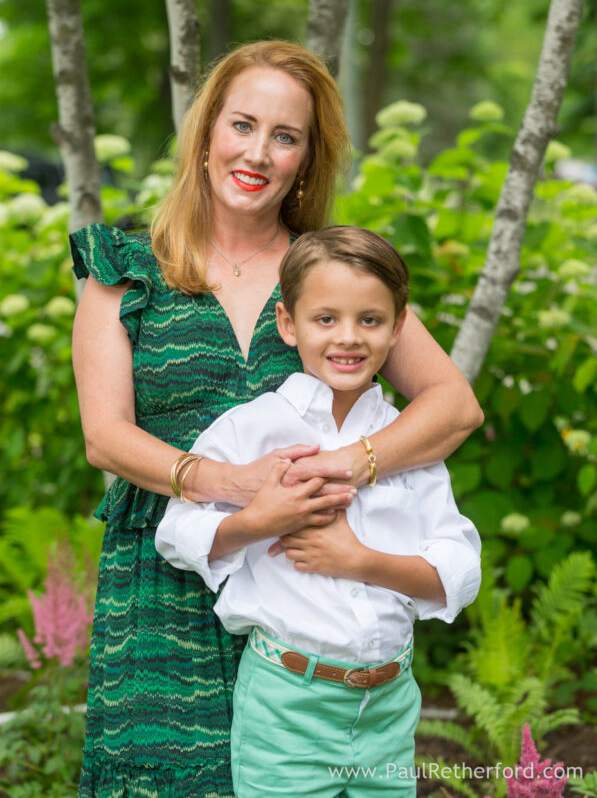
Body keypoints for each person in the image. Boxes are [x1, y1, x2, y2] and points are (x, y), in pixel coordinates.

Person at [71, 40, 483, 798]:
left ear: (305, 157)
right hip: (163, 586)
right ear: (205, 135)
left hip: (304, 585)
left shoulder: (326, 275)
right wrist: (232, 484)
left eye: (285, 136)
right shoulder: (125, 268)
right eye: (242, 125)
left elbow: (453, 405)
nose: (258, 152)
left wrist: (350, 465)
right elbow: (105, 435)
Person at [155, 226, 482, 797]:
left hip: (389, 704)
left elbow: (461, 568)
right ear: (288, 324)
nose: (348, 338)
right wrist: (255, 523)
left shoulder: (406, 441)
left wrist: (360, 560)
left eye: (370, 320)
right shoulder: (253, 429)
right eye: (325, 319)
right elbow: (176, 530)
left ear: (399, 327)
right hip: (287, 703)